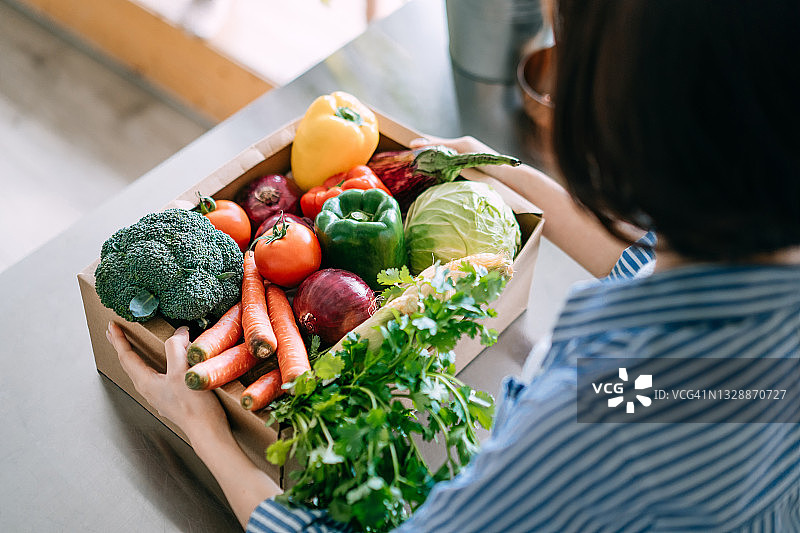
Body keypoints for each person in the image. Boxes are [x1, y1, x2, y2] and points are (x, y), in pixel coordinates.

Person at [107, 0, 800, 531]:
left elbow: (634, 408)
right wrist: (500, 167)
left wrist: (207, 434)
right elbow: (653, 265)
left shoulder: (604, 417)